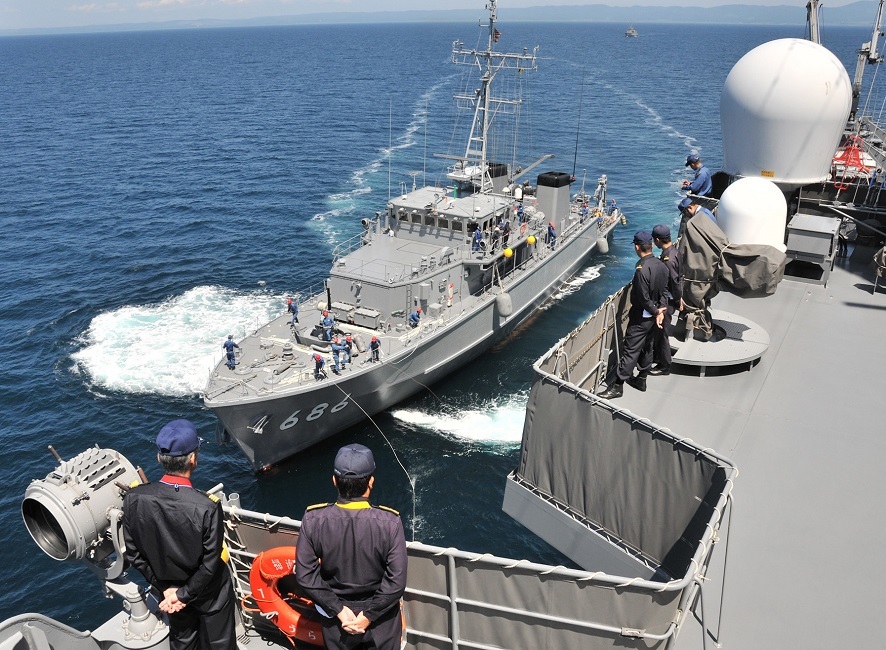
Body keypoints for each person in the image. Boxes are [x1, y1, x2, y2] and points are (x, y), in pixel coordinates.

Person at [123, 420, 236, 650]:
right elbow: (210, 562)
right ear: (193, 460)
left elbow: (134, 554)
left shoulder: (133, 499)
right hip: (209, 594)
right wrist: (184, 594)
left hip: (167, 590)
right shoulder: (207, 506)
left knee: (183, 641)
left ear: (159, 458)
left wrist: (168, 591)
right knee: (220, 643)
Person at [295, 444, 407, 650]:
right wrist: (369, 615)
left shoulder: (313, 519)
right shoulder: (390, 522)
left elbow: (305, 575)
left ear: (335, 481)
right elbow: (396, 581)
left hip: (337, 621)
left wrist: (338, 609)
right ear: (371, 482)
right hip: (381, 621)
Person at [598, 231, 668, 399]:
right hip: (654, 316)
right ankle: (642, 379)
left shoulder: (641, 270)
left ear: (637, 247)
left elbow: (643, 298)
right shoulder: (661, 265)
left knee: (630, 350)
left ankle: (617, 386)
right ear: (651, 245)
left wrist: (655, 311)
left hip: (642, 317)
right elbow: (665, 290)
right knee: (647, 346)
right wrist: (661, 310)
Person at [650, 224, 683, 376]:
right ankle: (659, 357)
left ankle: (665, 365)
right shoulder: (675, 252)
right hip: (671, 299)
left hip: (667, 302)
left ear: (657, 240)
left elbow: (674, 282)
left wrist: (677, 300)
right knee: (660, 332)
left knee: (662, 333)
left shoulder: (668, 260)